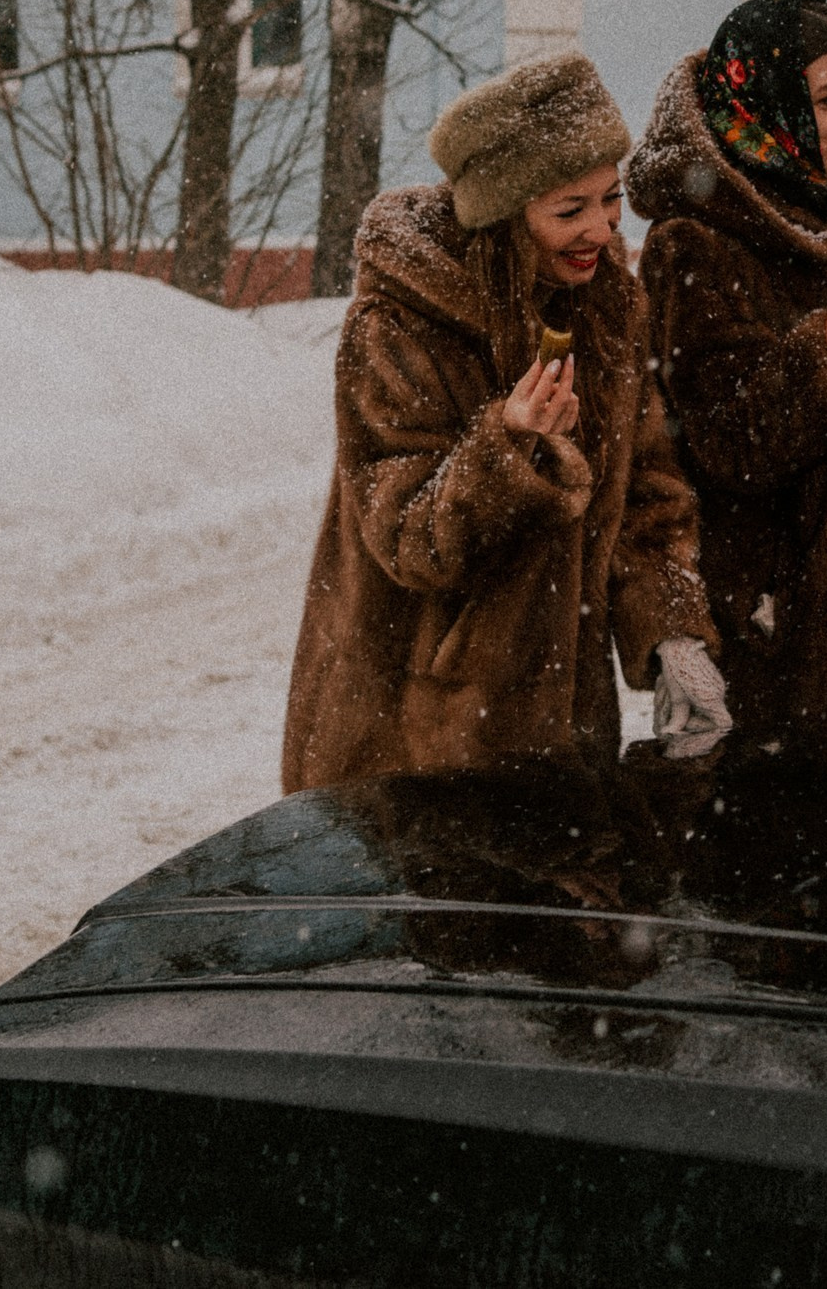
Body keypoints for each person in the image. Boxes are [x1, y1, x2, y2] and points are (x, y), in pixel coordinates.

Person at [281, 53, 727, 793]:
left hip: (561, 739)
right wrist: (505, 448)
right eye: (568, 209)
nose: (600, 228)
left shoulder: (608, 309)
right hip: (410, 741)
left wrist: (671, 632)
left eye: (610, 198)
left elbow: (647, 493)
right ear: (505, 212)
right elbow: (406, 537)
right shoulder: (395, 325)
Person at [626, 0, 827, 773]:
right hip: (762, 624)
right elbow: (720, 443)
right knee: (761, 861)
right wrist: (826, 341)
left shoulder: (808, 211)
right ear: (765, 106)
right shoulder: (692, 242)